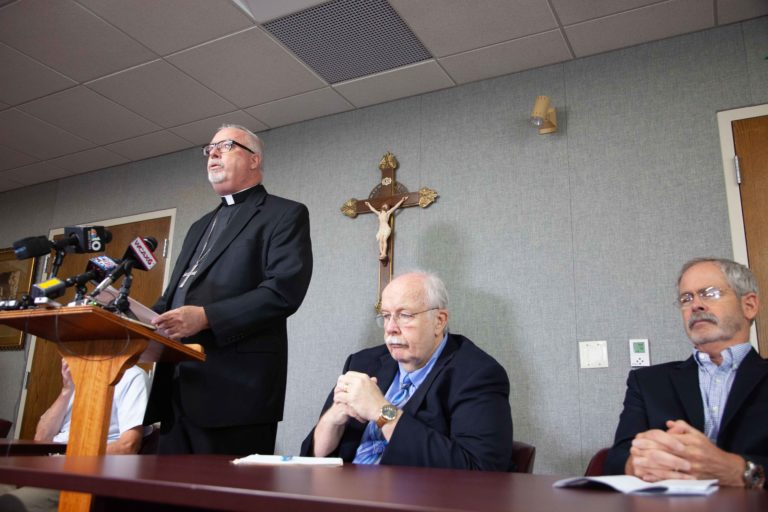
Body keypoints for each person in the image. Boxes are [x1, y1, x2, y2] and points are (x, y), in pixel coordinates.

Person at [145, 124, 313, 456]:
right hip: (176, 388)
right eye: (209, 150)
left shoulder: (284, 214)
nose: (213, 154)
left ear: (254, 160)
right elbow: (175, 294)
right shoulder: (198, 227)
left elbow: (283, 291)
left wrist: (207, 317)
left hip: (235, 393)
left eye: (225, 146)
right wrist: (141, 323)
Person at [300, 271, 513, 470]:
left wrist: (381, 410)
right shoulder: (363, 363)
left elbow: (478, 470)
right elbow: (313, 459)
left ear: (439, 321)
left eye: (404, 315)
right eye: (385, 316)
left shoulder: (476, 375)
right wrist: (333, 418)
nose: (391, 327)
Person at [605, 258, 768, 488]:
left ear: (749, 305)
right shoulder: (648, 382)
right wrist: (637, 464)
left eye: (709, 293)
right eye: (686, 298)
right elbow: (614, 461)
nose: (696, 305)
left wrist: (739, 471)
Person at [0, 359, 148, 511]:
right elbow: (41, 437)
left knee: (10, 504)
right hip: (48, 462)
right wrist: (67, 390)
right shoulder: (80, 377)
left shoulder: (132, 375)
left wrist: (68, 456)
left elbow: (128, 446)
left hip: (84, 467)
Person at [365, 196, 405, 261]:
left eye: (386, 206)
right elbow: (372, 209)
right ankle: (382, 253)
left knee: (384, 239)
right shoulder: (379, 213)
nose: (384, 206)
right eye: (384, 205)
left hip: (386, 228)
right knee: (380, 240)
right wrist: (368, 204)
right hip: (381, 229)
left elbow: (395, 207)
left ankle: (384, 253)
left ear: (387, 208)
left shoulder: (388, 213)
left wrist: (402, 200)